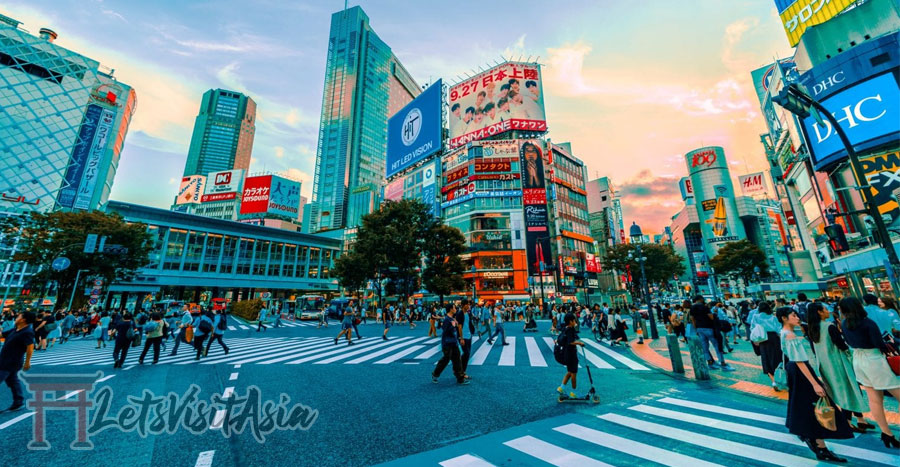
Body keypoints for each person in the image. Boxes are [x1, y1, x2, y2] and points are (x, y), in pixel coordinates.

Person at [777, 307, 851, 462]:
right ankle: (820, 445)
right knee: (816, 404)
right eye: (793, 315)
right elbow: (799, 361)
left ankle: (814, 440)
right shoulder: (789, 335)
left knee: (806, 406)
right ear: (784, 318)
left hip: (796, 372)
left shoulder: (784, 333)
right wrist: (815, 383)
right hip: (801, 371)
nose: (797, 318)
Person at [840, 297, 900, 448]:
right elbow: (879, 344)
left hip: (858, 359)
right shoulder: (868, 323)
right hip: (874, 359)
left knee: (874, 399)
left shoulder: (844, 323)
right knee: (897, 392)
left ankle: (886, 433)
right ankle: (887, 435)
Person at [806, 302, 871, 432]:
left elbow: (814, 349)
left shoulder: (812, 329)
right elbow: (841, 345)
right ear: (819, 312)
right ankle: (847, 422)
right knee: (848, 390)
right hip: (839, 363)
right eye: (825, 309)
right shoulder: (829, 327)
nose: (828, 311)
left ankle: (860, 420)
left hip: (825, 366)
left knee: (847, 390)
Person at [0, 311, 35, 412]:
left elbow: (30, 347)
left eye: (19, 316)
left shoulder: (27, 332)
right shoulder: (16, 329)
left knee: (12, 380)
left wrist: (28, 362)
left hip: (11, 362)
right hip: (5, 359)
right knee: (13, 381)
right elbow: (2, 335)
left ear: (23, 319)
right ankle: (18, 402)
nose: (16, 317)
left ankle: (18, 402)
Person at [690, 296, 735, 371]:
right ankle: (722, 363)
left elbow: (692, 319)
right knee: (717, 346)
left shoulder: (692, 308)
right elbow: (711, 317)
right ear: (700, 299)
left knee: (705, 347)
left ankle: (710, 363)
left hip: (699, 329)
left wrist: (696, 329)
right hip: (709, 328)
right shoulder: (704, 307)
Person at [431, 304, 468, 385]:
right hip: (447, 343)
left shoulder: (452, 318)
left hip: (453, 342)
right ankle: (435, 374)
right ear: (451, 309)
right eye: (454, 308)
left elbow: (454, 330)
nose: (456, 309)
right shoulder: (447, 319)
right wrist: (453, 326)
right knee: (446, 359)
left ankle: (460, 378)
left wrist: (455, 326)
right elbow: (445, 331)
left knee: (457, 360)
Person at [750, 301, 783, 390]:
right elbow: (779, 329)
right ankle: (780, 378)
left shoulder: (756, 317)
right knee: (777, 358)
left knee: (766, 360)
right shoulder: (773, 317)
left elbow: (752, 328)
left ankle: (774, 381)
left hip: (763, 339)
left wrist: (755, 340)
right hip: (774, 339)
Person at [557, 312, 585, 398]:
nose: (575, 322)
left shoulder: (565, 328)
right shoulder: (570, 330)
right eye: (574, 320)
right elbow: (570, 342)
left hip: (566, 353)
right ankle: (574, 392)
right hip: (571, 354)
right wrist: (579, 343)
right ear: (570, 321)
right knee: (574, 373)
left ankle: (561, 387)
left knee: (569, 371)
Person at [457, 303, 475, 378]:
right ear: (463, 305)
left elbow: (469, 323)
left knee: (467, 354)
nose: (468, 305)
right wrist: (461, 338)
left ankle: (462, 371)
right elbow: (459, 327)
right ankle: (461, 371)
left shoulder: (468, 313)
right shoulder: (459, 314)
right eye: (466, 304)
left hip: (469, 336)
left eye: (468, 304)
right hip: (463, 337)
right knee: (466, 353)